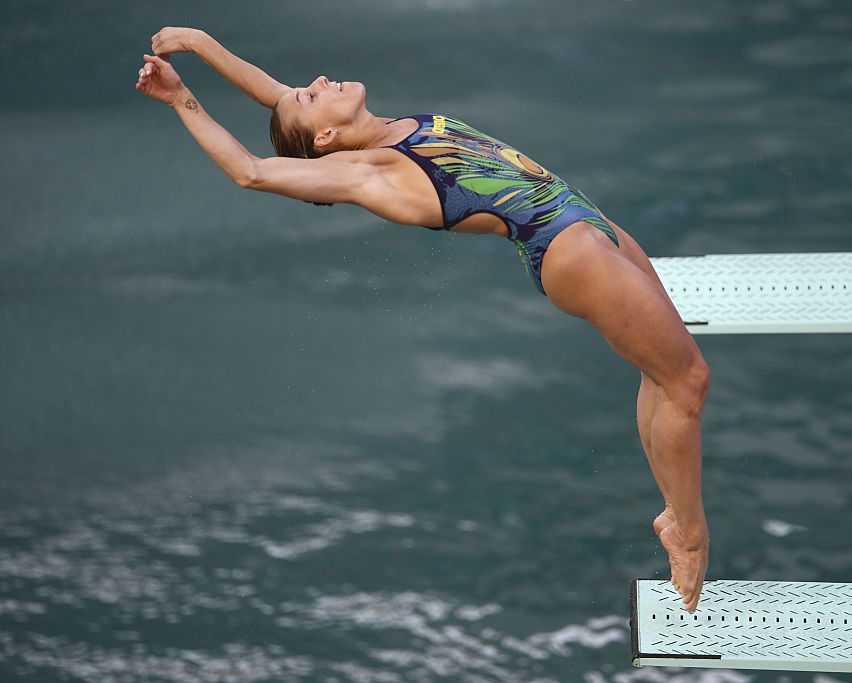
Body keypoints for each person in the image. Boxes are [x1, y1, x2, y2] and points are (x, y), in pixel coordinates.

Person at [136, 27, 711, 612]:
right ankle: (687, 536)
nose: (313, 83)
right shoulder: (371, 171)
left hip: (584, 217)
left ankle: (674, 510)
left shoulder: (375, 129)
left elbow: (274, 97)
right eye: (311, 98)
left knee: (662, 375)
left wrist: (199, 42)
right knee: (687, 381)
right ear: (328, 136)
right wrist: (181, 96)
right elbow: (250, 171)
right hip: (568, 245)